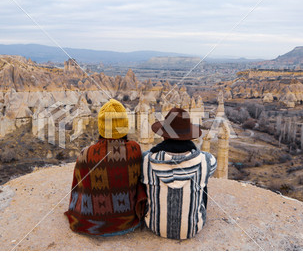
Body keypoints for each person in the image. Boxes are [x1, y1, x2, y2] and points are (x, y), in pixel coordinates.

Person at [65, 99, 147, 236]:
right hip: (129, 222)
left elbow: (77, 189)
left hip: (90, 225)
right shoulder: (135, 149)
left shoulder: (86, 154)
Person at [141, 107, 217, 240]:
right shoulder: (207, 160)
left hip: (155, 226)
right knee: (202, 180)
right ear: (189, 137)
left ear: (164, 135)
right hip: (193, 229)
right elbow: (210, 170)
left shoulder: (146, 160)